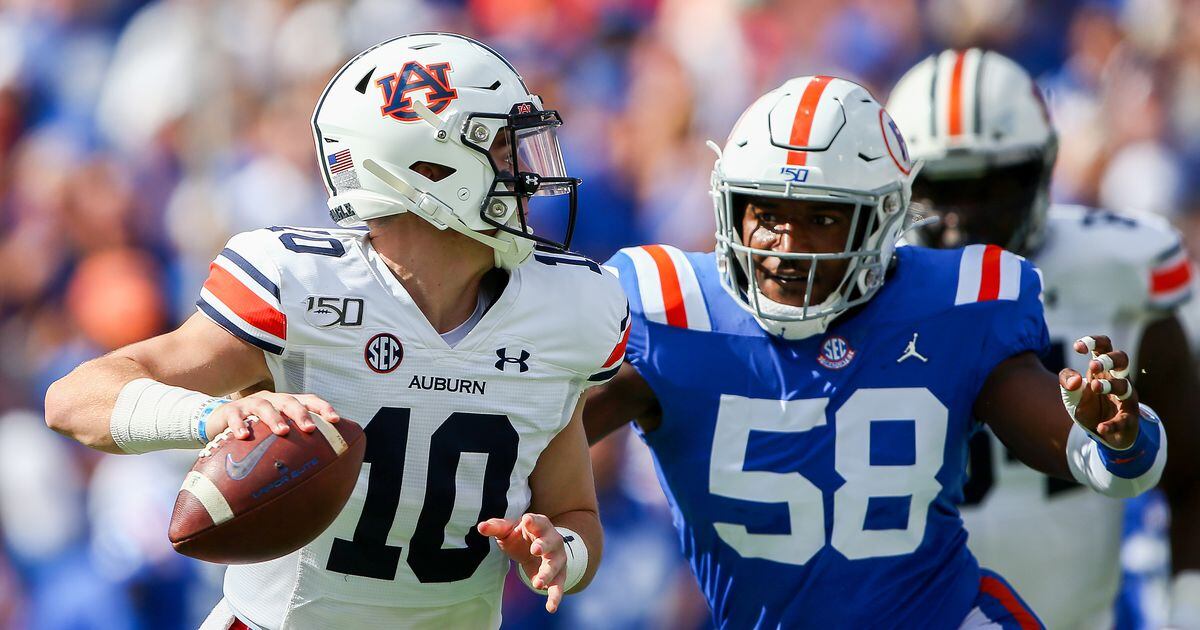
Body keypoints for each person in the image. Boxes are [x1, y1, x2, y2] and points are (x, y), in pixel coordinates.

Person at [44, 32, 629, 630]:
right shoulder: (300, 286)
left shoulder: (566, 311)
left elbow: (575, 511)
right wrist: (211, 418)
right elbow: (72, 401)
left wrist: (563, 553)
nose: (525, 171)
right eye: (503, 148)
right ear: (429, 169)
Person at [583, 74, 1167, 627]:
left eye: (819, 218)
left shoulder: (952, 306)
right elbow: (542, 440)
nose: (787, 246)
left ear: (881, 221)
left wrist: (1116, 438)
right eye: (765, 213)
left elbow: (1089, 454)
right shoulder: (674, 316)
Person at [886, 48, 1200, 629]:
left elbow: (1190, 469)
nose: (960, 218)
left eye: (991, 186)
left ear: (1043, 170)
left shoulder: (1120, 267)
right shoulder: (874, 290)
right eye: (940, 189)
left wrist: (1188, 604)